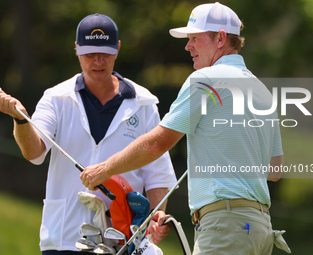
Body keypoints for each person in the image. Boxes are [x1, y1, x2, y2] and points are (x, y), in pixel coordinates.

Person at [80, 3, 286, 255]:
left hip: (226, 227)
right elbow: (274, 169)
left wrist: (105, 169)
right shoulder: (262, 91)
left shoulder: (207, 80)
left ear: (220, 38)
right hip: (259, 229)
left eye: (194, 39)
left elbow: (157, 143)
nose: (188, 46)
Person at [0, 13, 177, 254]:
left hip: (122, 242)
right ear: (76, 49)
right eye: (89, 53)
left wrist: (154, 222)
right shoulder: (56, 98)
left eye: (105, 52)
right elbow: (34, 153)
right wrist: (20, 120)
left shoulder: (144, 103)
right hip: (63, 237)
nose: (98, 61)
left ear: (118, 48)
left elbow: (158, 175)